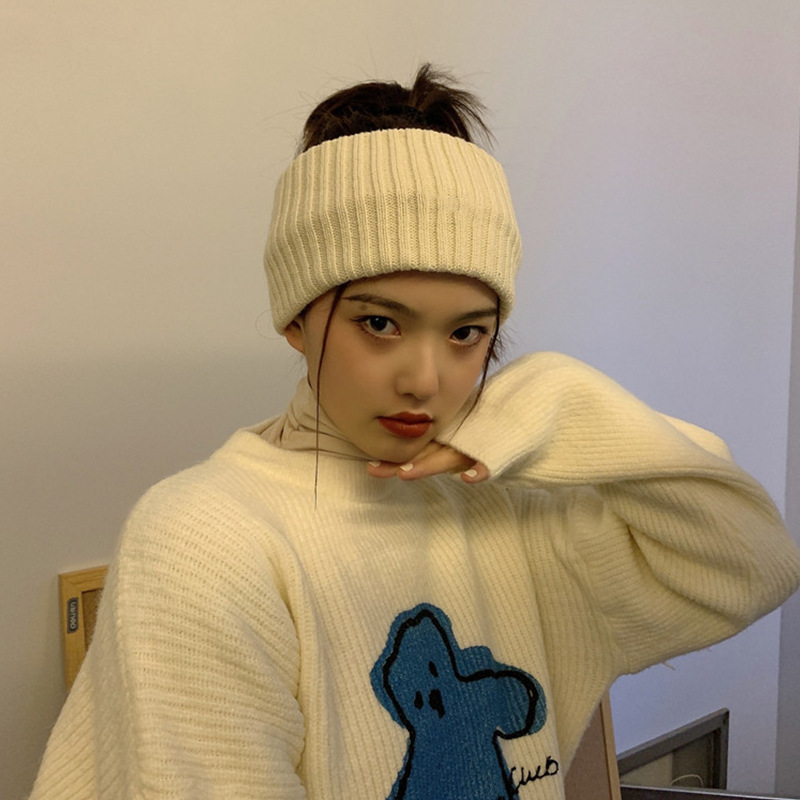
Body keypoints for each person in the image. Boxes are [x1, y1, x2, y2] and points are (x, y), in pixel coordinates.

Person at [30, 64, 800, 800]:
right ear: (297, 318)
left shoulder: (513, 511)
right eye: (379, 323)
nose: (425, 380)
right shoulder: (207, 541)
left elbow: (752, 562)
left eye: (467, 333)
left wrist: (551, 402)